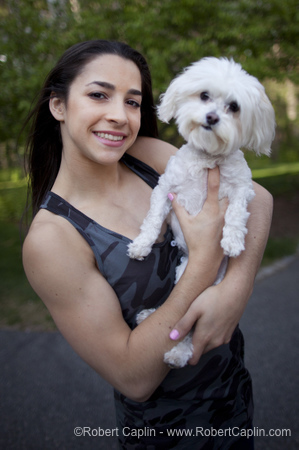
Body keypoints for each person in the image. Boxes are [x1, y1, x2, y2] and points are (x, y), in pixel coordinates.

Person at [22, 40, 273, 449]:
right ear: (59, 106)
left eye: (133, 102)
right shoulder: (52, 239)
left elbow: (258, 199)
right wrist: (204, 265)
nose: (120, 116)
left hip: (234, 402)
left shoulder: (147, 157)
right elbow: (132, 376)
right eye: (99, 95)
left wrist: (236, 289)